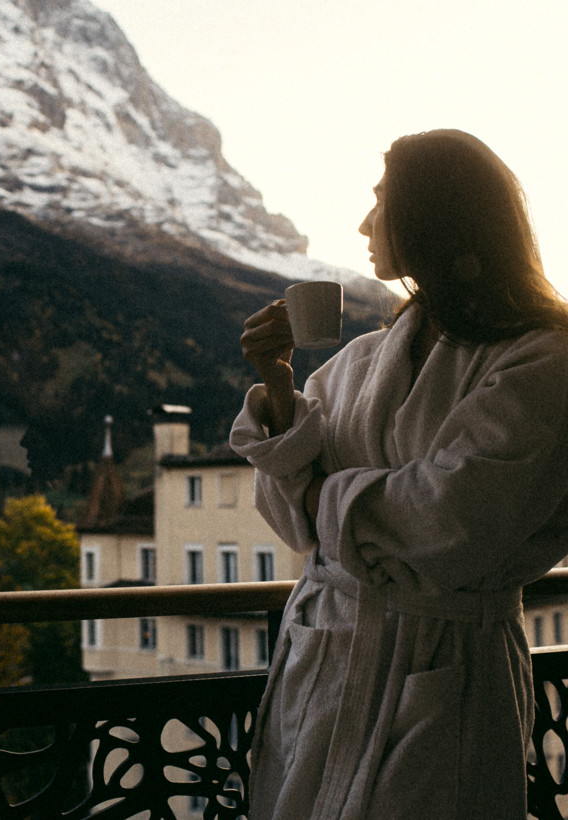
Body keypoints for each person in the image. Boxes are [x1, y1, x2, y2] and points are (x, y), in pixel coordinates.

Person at [229, 129, 568, 820]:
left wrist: (323, 492)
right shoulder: (360, 359)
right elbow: (288, 517)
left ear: (435, 211)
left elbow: (451, 524)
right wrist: (280, 387)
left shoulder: (543, 358)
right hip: (322, 665)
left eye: (381, 200)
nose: (364, 223)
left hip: (446, 667)